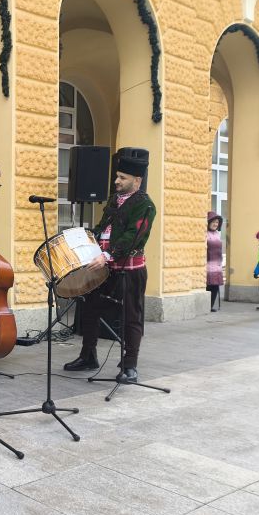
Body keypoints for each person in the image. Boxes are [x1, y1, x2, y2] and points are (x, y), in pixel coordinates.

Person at [63, 153, 156, 382]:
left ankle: (130, 366)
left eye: (122, 178)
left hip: (129, 269)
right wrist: (85, 238)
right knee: (90, 308)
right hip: (104, 266)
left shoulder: (145, 205)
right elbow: (103, 228)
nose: (116, 181)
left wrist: (107, 255)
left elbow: (133, 236)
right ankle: (88, 356)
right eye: (117, 176)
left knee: (132, 317)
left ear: (137, 180)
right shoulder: (114, 200)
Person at [206, 211, 223, 312]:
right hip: (208, 264)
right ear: (208, 222)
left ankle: (210, 306)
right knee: (208, 285)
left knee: (215, 286)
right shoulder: (205, 234)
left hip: (217, 264)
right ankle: (206, 306)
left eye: (217, 222)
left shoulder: (217, 234)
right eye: (213, 222)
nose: (215, 224)